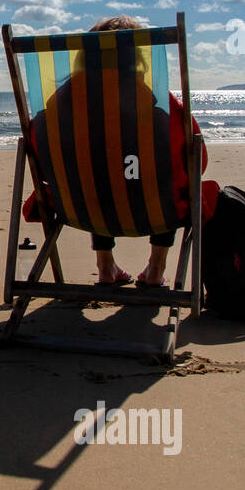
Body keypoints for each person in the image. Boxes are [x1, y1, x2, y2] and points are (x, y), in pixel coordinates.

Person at [22, 14, 218, 288]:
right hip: (156, 211)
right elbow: (197, 161)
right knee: (168, 181)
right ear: (136, 57)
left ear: (85, 55)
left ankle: (105, 266)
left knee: (93, 172)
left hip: (79, 207)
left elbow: (39, 159)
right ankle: (155, 269)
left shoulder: (57, 111)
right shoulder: (162, 110)